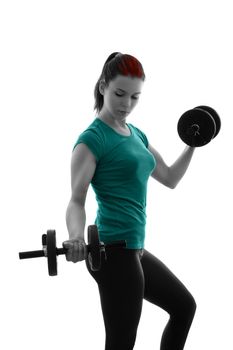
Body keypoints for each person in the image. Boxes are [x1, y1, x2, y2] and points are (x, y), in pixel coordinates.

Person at [64, 52, 197, 350]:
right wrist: (75, 237)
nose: (127, 104)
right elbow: (76, 200)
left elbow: (170, 178)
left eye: (135, 97)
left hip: (135, 250)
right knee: (122, 342)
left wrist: (193, 143)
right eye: (120, 94)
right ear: (102, 87)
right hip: (111, 253)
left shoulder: (136, 134)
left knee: (184, 307)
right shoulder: (92, 140)